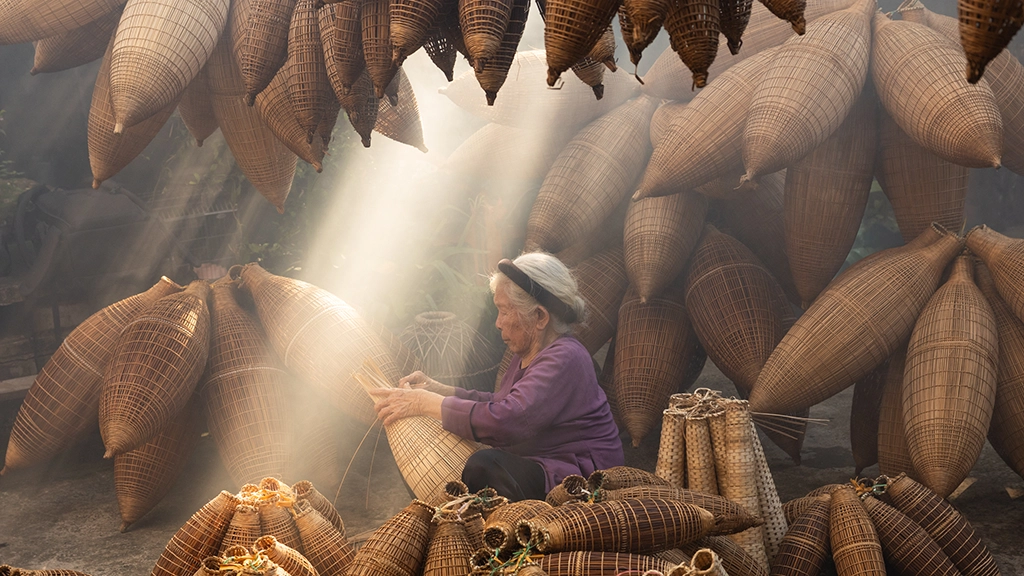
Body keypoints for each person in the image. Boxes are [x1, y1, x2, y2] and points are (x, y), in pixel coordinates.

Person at [368, 252, 624, 501]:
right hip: (542, 464)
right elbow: (500, 402)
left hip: (577, 476)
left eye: (504, 311)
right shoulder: (527, 352)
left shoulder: (566, 357)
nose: (498, 323)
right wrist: (439, 390)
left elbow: (507, 420)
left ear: (540, 317)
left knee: (485, 466)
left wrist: (425, 403)